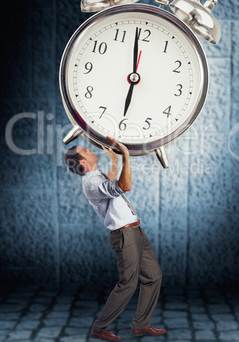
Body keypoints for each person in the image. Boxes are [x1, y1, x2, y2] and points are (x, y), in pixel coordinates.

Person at [65, 136, 166, 342]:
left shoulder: (97, 176)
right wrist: (126, 155)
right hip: (123, 235)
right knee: (128, 283)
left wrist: (114, 161)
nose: (92, 150)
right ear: (83, 163)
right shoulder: (91, 184)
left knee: (153, 276)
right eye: (86, 151)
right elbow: (124, 185)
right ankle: (100, 327)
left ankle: (141, 325)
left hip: (136, 230)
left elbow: (111, 184)